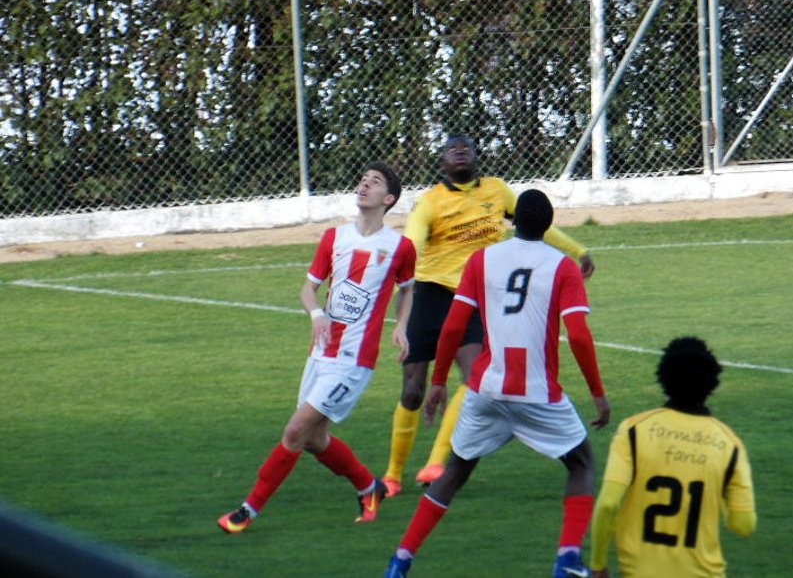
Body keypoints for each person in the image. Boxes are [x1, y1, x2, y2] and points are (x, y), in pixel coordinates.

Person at [384, 189, 610, 578]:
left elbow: (453, 326)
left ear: (513, 221)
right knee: (582, 463)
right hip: (538, 394)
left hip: (487, 389)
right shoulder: (562, 267)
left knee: (455, 472)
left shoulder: (482, 259)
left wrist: (438, 381)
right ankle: (567, 561)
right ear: (548, 225)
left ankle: (400, 561)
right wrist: (598, 394)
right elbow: (578, 335)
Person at [382, 134, 595, 497]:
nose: (460, 152)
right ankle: (392, 474)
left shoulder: (497, 191)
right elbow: (413, 242)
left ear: (477, 156)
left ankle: (436, 463)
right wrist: (397, 267)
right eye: (452, 149)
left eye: (466, 147)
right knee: (414, 391)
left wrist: (578, 249)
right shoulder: (430, 202)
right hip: (430, 296)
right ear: (442, 162)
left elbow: (537, 223)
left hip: (475, 300)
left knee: (473, 379)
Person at [216, 162, 417, 533]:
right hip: (321, 353)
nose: (364, 184)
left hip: (353, 361)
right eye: (362, 179)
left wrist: (402, 326)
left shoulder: (400, 247)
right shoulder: (333, 237)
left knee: (294, 432)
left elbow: (408, 290)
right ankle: (368, 487)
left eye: (374, 182)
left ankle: (247, 511)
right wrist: (316, 314)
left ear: (388, 199)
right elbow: (308, 288)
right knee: (313, 439)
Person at [588, 337, 756, 578]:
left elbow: (607, 505)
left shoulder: (634, 431)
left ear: (664, 377)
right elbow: (743, 525)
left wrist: (598, 565)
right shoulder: (730, 445)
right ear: (712, 382)